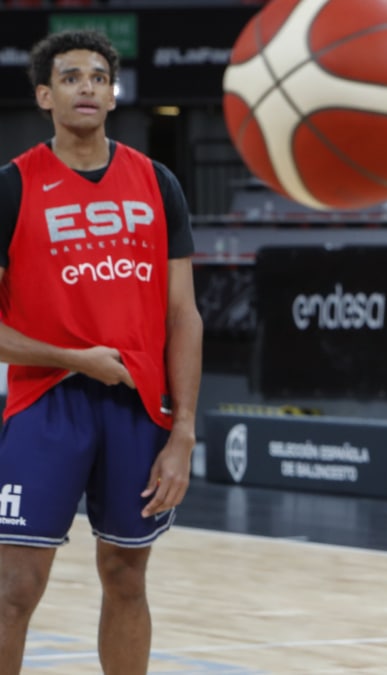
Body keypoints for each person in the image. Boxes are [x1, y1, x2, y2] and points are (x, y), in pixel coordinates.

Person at [0, 29, 203, 674]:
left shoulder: (157, 182)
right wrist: (75, 358)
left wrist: (185, 434)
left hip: (137, 408)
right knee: (14, 589)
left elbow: (183, 314)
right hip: (43, 406)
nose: (85, 86)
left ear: (113, 95)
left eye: (97, 77)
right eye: (69, 77)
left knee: (125, 577)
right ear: (43, 94)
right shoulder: (11, 187)